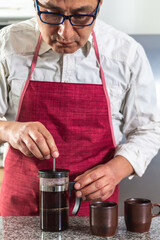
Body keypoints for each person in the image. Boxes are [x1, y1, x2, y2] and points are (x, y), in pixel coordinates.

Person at [0, 0, 160, 216]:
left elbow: (148, 130)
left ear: (99, 5)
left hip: (95, 210)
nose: (64, 33)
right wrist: (9, 130)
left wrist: (115, 171)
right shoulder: (8, 44)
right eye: (52, 14)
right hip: (21, 205)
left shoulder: (125, 55)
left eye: (81, 16)